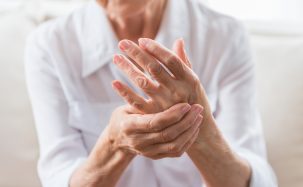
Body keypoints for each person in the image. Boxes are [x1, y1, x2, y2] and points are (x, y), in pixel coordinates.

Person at [24, 0, 276, 186]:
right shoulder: (50, 45)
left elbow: (256, 179)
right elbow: (58, 176)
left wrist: (199, 128)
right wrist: (114, 145)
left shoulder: (224, 37)